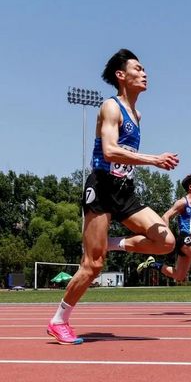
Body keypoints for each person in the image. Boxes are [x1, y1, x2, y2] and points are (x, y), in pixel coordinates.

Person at [47, 49, 180, 344]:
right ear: (122, 75)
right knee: (93, 265)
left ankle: (112, 244)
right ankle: (59, 320)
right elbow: (108, 151)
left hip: (125, 190)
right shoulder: (111, 107)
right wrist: (154, 159)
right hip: (102, 188)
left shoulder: (137, 113)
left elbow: (126, 156)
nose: (145, 73)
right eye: (138, 68)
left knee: (166, 241)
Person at [136, 174, 191, 289]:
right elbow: (166, 216)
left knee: (179, 276)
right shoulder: (182, 203)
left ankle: (152, 264)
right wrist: (167, 236)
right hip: (185, 238)